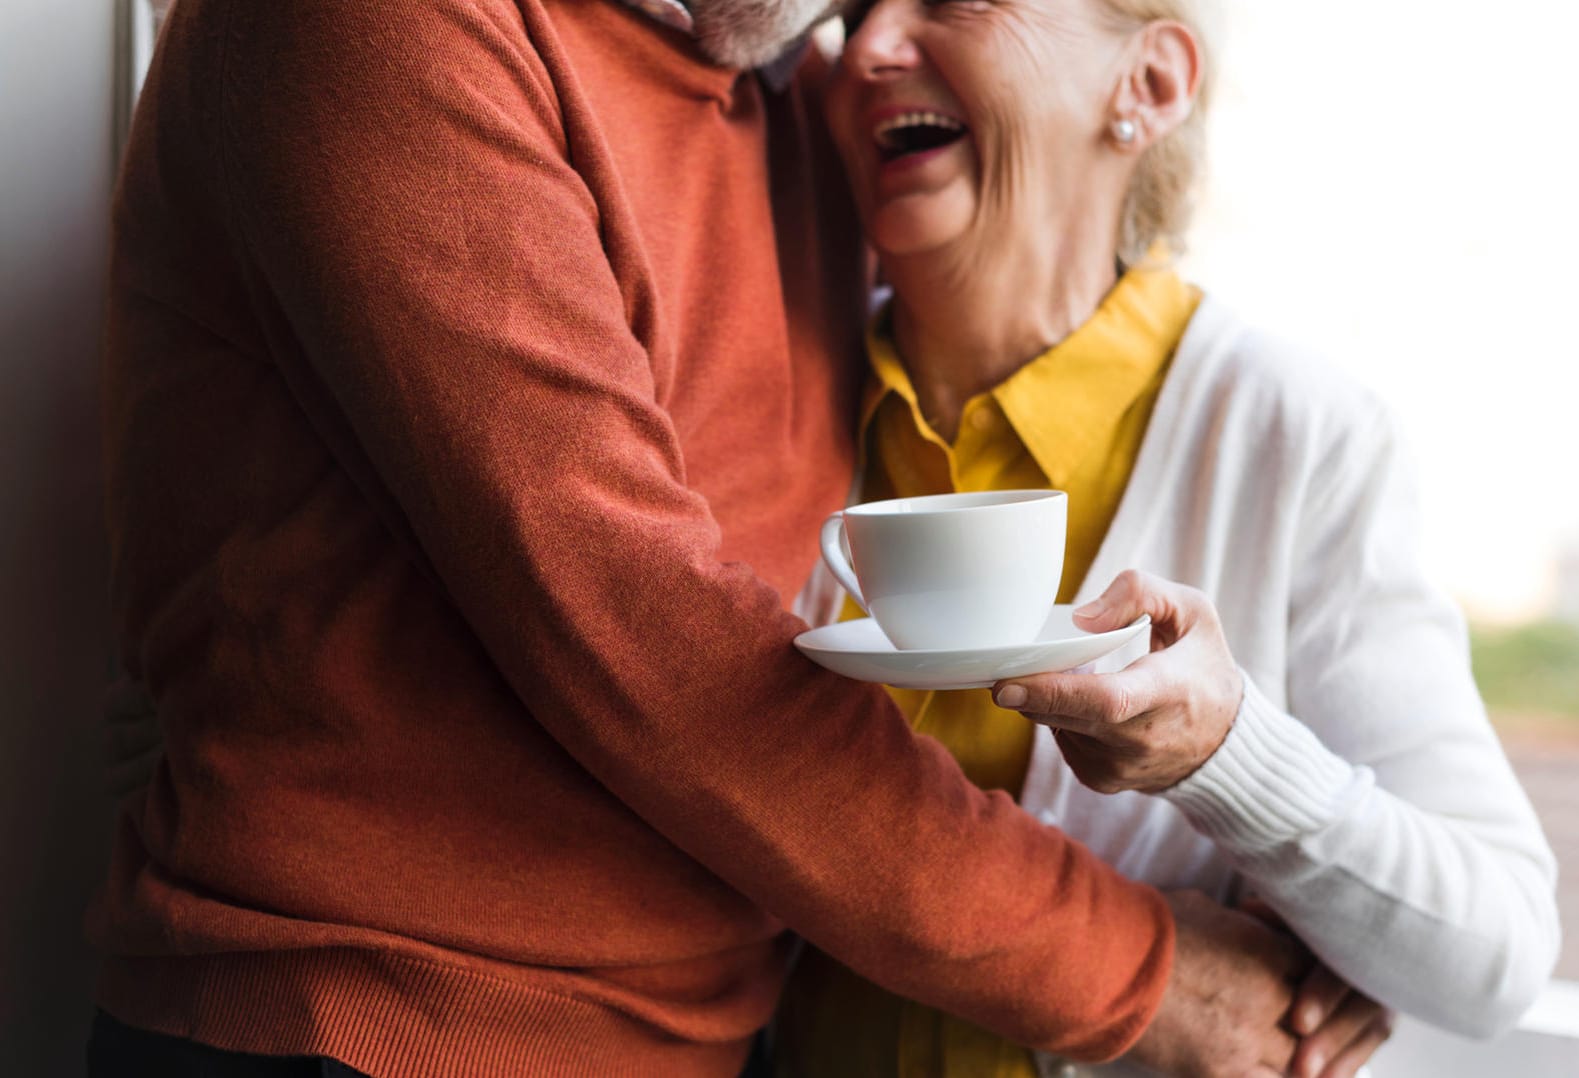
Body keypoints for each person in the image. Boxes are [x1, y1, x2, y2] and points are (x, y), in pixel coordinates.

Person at [89, 0, 1323, 1075]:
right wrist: (1138, 972)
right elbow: (658, 648)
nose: (877, 33)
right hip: (366, 1020)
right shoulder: (380, 24)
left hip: (720, 1031)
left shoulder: (789, 90)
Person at [774, 0, 1560, 1074]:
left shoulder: (1294, 435)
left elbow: (1496, 953)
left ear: (1146, 84)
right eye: (854, 9)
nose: (865, 48)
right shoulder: (773, 396)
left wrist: (1231, 756)